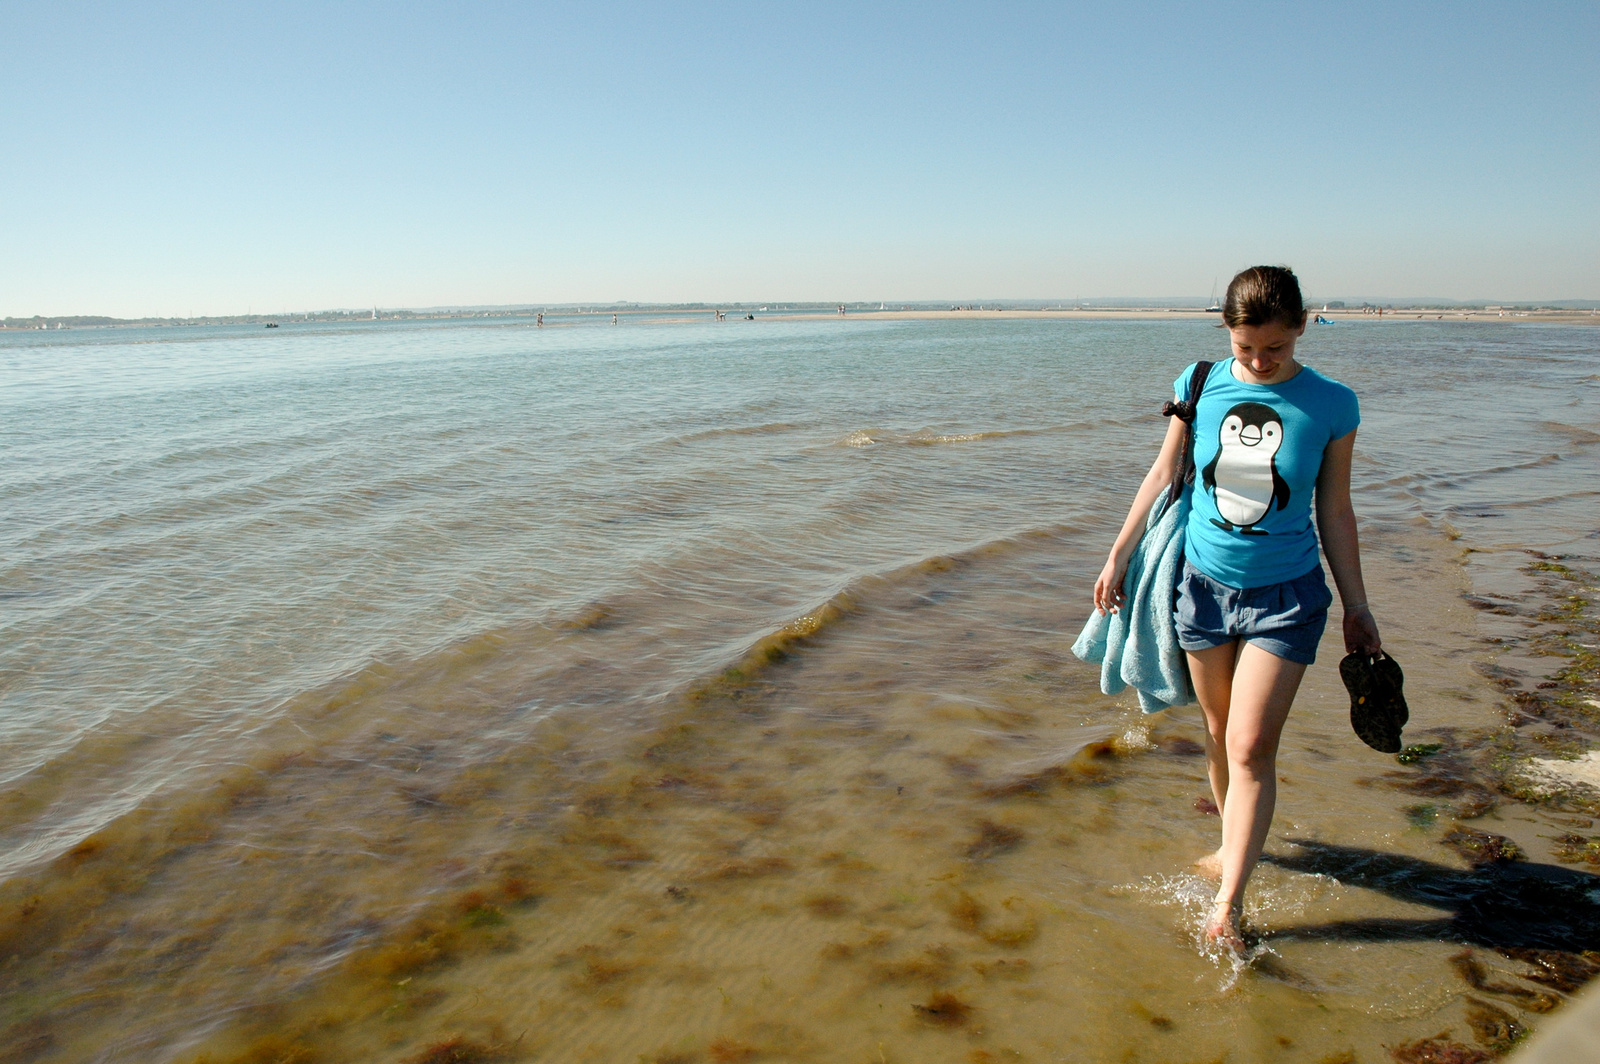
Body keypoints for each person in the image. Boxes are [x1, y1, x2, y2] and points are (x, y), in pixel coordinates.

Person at [1092, 265, 1381, 950]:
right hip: (1200, 590)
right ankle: (1233, 845)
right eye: (1246, 347)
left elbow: (1334, 508)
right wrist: (1117, 555)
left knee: (1251, 744)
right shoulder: (1198, 384)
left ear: (1301, 329)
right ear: (1228, 331)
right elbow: (1164, 474)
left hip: (1288, 598)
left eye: (1274, 349)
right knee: (1219, 736)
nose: (1258, 361)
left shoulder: (1333, 404)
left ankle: (1229, 904)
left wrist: (1358, 605)